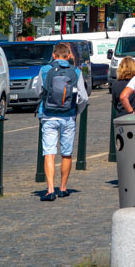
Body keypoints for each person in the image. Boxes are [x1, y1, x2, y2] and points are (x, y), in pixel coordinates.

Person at [37, 42, 88, 201]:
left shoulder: (45, 70)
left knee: (49, 153)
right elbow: (84, 97)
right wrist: (76, 111)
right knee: (66, 153)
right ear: (68, 56)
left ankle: (50, 189)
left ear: (54, 55)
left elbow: (39, 91)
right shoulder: (76, 71)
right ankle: (63, 188)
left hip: (48, 115)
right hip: (68, 116)